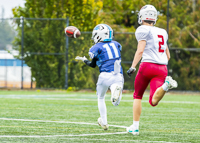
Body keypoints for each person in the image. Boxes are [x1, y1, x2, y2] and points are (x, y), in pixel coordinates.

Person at [126, 5, 178, 135]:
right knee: (153, 101)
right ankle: (166, 86)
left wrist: (133, 66)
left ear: (142, 16)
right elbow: (168, 55)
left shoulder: (142, 29)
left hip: (147, 66)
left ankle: (135, 127)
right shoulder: (162, 31)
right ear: (154, 17)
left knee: (137, 95)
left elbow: (140, 50)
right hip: (162, 68)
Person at [75, 24, 124, 130]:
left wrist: (84, 60)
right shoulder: (116, 44)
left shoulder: (96, 47)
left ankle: (104, 122)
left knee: (101, 97)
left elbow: (93, 65)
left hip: (104, 75)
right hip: (118, 73)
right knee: (115, 102)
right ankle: (114, 89)